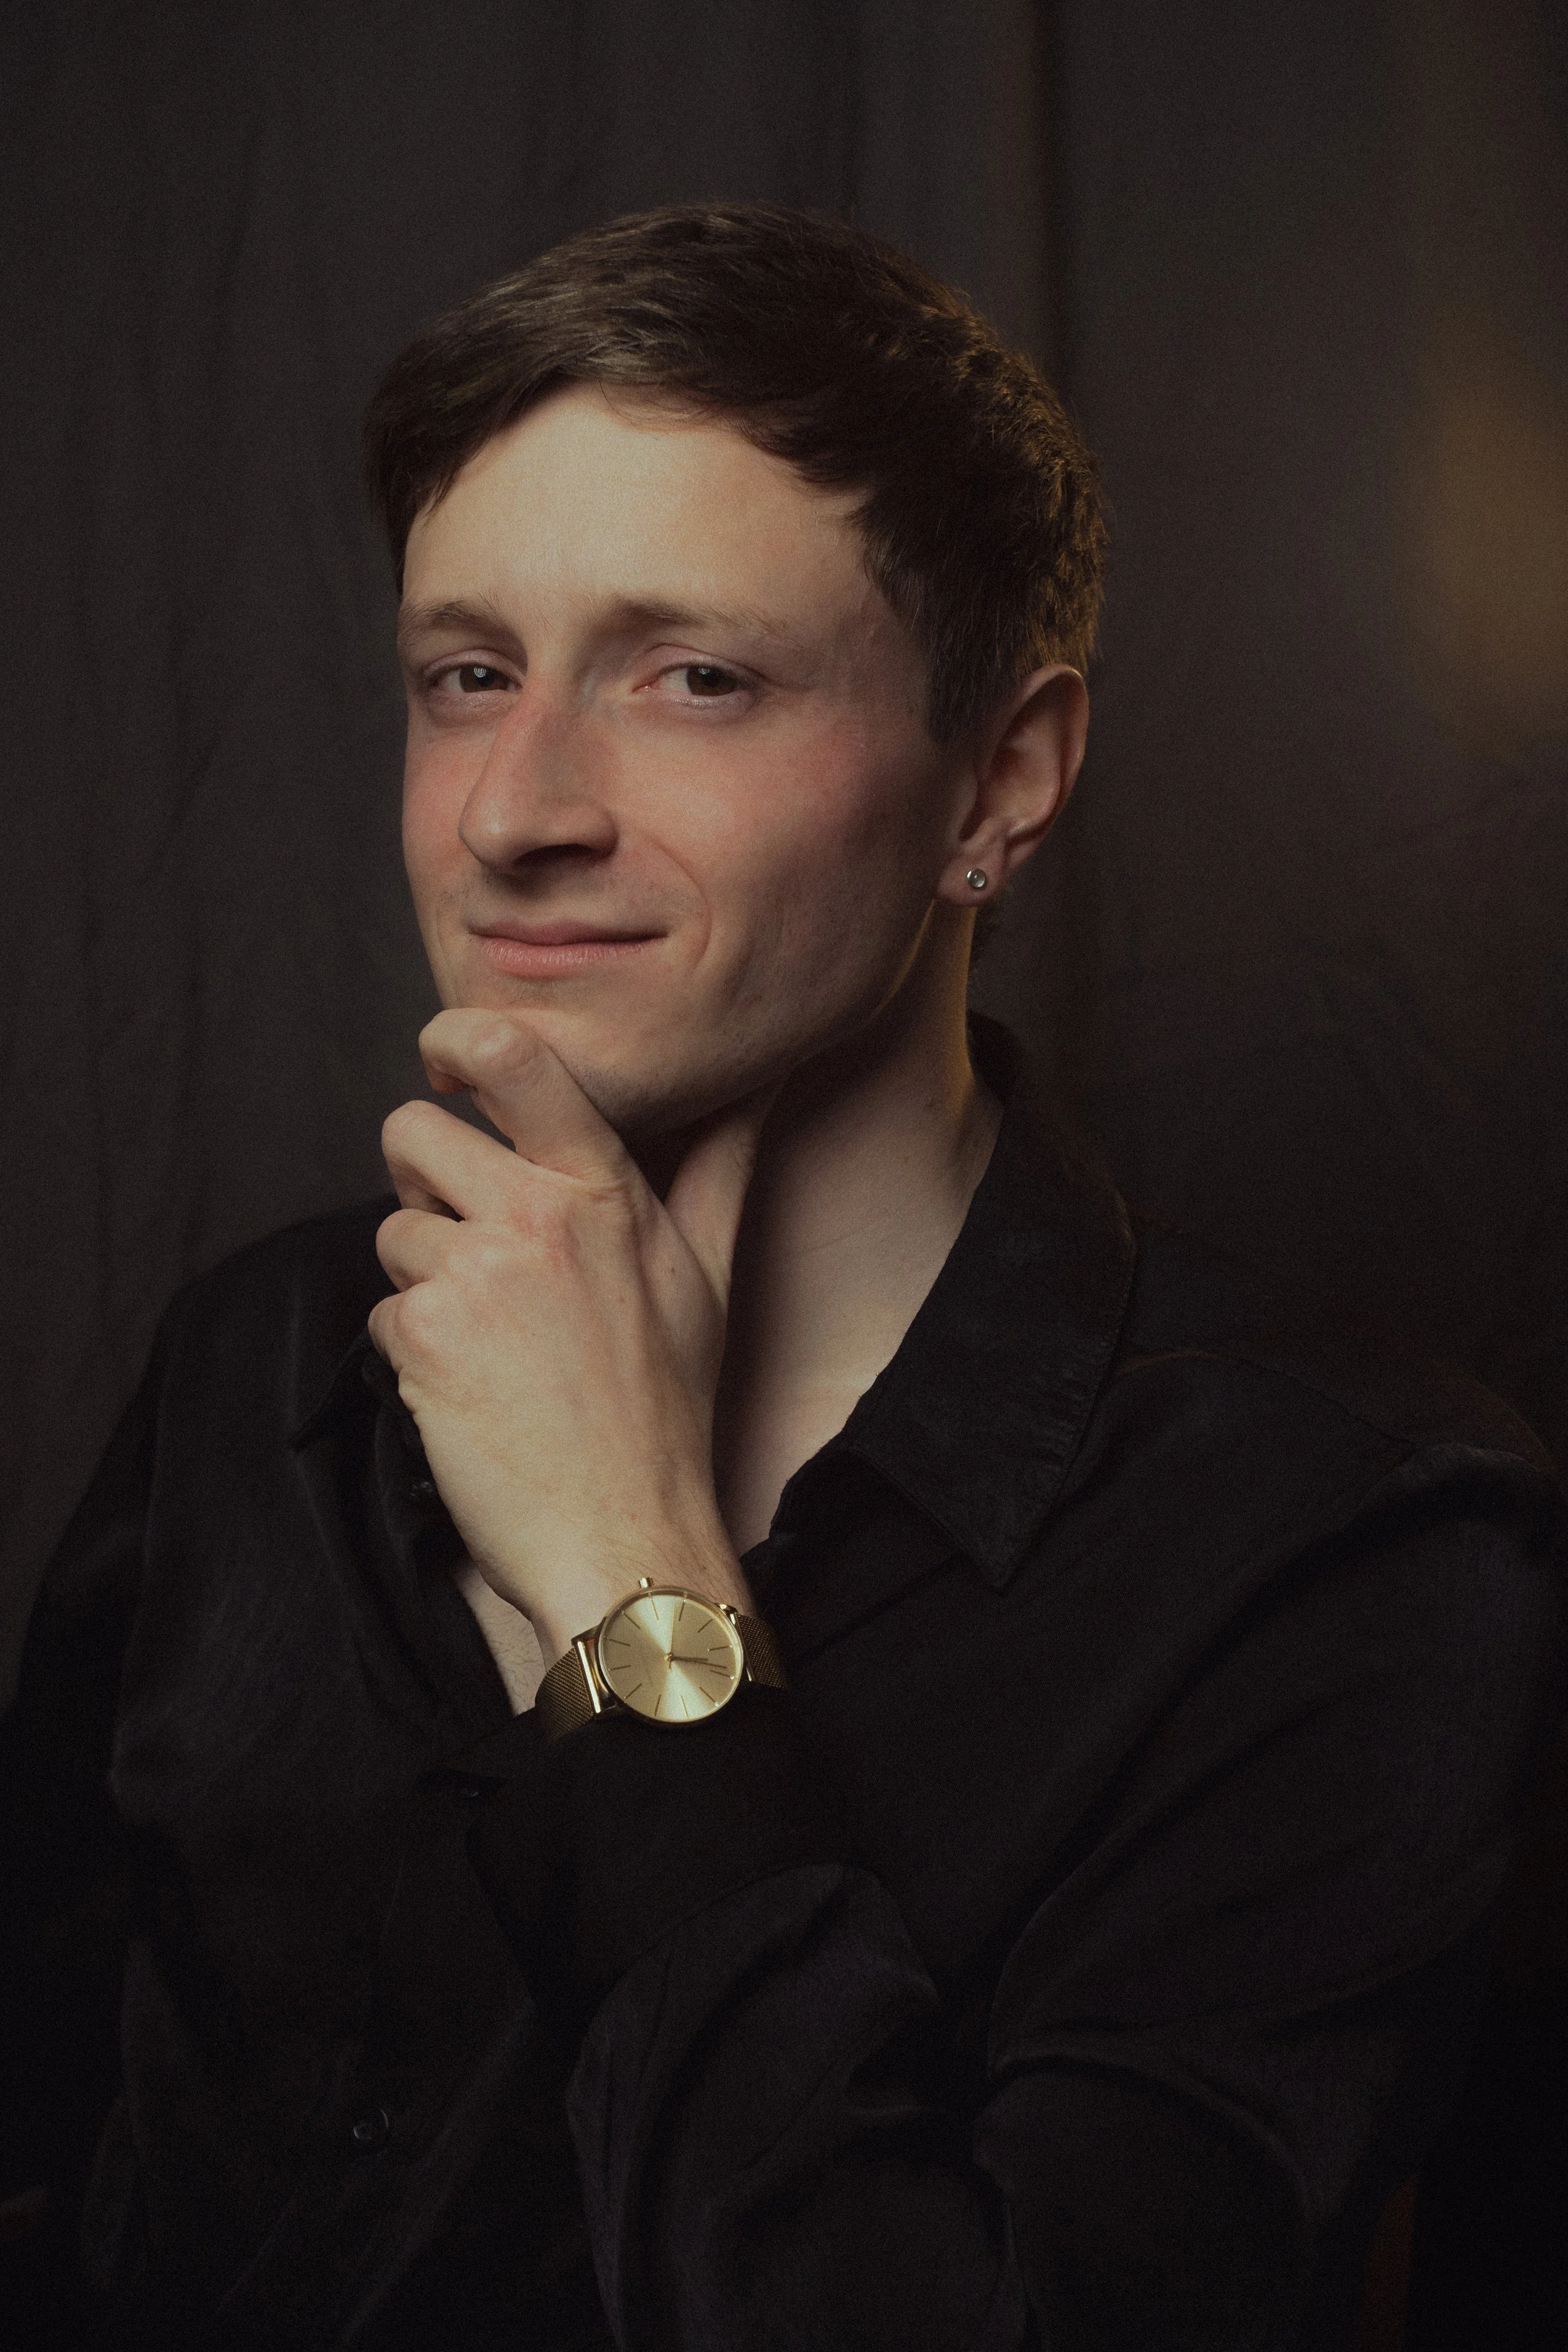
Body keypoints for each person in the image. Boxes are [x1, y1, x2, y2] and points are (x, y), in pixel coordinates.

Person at [1, 202, 1562, 2352]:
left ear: (995, 786)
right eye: (468, 674)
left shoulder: (1352, 1544)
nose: (515, 810)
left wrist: (637, 1580)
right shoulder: (260, 1354)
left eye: (694, 677)